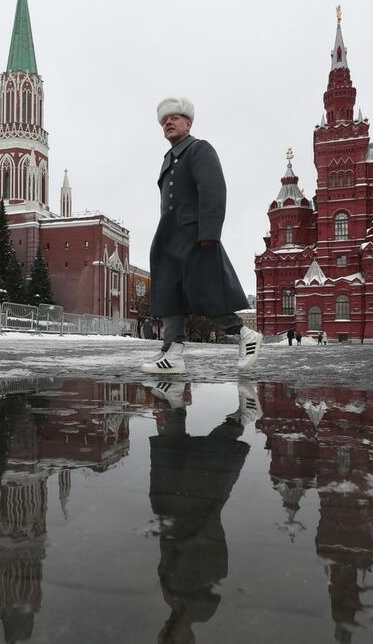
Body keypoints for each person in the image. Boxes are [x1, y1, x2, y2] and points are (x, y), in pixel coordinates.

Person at [141, 97, 263, 374]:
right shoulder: (169, 158)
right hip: (169, 236)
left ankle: (245, 335)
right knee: (168, 292)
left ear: (189, 123)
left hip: (194, 234)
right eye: (164, 120)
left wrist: (209, 232)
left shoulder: (199, 149)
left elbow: (214, 190)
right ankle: (172, 352)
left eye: (175, 117)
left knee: (203, 290)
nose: (168, 122)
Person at [147, 380, 253, 644]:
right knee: (208, 459)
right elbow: (218, 564)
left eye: (164, 640)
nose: (168, 635)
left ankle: (173, 402)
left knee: (172, 450)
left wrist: (166, 527)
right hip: (197, 519)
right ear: (188, 639)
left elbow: (166, 557)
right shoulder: (204, 610)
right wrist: (202, 534)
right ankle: (240, 419)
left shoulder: (168, 598)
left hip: (172, 517)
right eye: (175, 642)